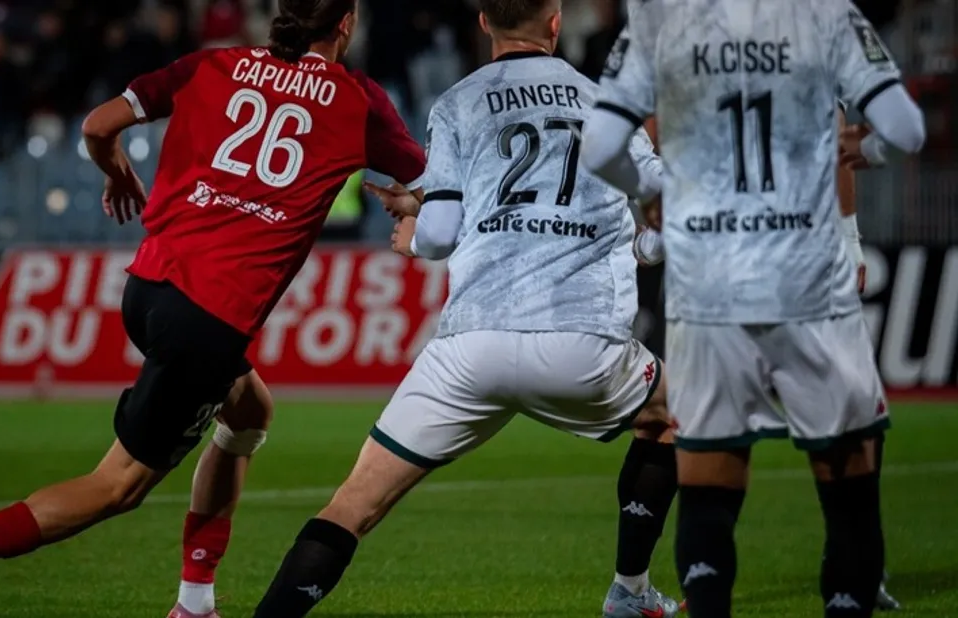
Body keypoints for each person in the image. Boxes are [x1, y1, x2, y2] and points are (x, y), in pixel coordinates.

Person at [0, 2, 426, 617]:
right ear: (348, 23)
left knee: (249, 408)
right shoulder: (358, 101)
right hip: (210, 318)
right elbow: (437, 186)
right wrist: (410, 209)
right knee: (117, 486)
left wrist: (117, 172)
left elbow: (96, 125)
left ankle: (195, 603)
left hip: (147, 290)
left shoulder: (212, 65)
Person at [247, 1, 683, 616]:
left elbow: (443, 231)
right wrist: (641, 244)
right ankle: (631, 593)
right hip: (579, 344)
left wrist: (413, 234)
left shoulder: (458, 102)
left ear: (484, 23)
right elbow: (675, 210)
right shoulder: (605, 104)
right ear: (555, 24)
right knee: (671, 418)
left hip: (468, 350)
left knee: (352, 503)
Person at [581, 0, 926, 616]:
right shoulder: (826, 14)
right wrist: (863, 153)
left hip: (710, 288)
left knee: (710, 491)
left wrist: (656, 195)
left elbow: (603, 143)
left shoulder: (662, 19)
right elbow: (906, 131)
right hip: (810, 285)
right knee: (848, 491)